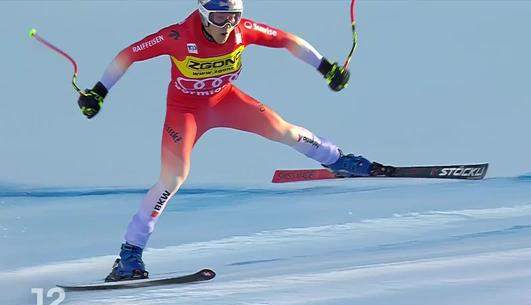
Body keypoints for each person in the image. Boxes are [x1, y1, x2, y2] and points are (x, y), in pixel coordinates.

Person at [78, 0, 374, 282]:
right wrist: (99, 92)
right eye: (220, 18)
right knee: (173, 178)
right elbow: (128, 55)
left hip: (225, 101)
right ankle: (129, 255)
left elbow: (287, 40)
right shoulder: (178, 36)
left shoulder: (242, 30)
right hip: (186, 113)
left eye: (234, 16)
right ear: (205, 15)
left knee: (284, 130)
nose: (228, 25)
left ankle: (339, 161)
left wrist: (326, 68)